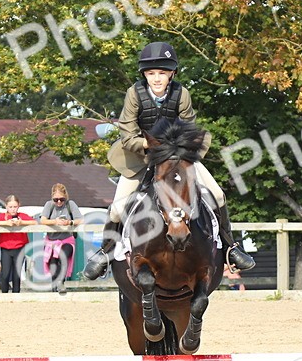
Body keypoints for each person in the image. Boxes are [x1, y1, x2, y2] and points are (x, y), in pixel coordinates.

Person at [83, 41, 255, 280]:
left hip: (176, 158)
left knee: (217, 194)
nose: (156, 79)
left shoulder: (181, 94)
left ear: (171, 73)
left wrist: (174, 149)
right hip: (140, 157)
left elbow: (190, 128)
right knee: (117, 208)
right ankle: (105, 252)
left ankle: (231, 248)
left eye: (162, 73)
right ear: (144, 74)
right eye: (151, 73)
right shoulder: (134, 94)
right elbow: (127, 134)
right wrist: (151, 145)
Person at [40, 183, 82, 294]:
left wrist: (70, 222)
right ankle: (55, 288)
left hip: (67, 239)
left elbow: (80, 219)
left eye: (61, 199)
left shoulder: (70, 204)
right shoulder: (49, 205)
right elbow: (43, 220)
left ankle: (60, 282)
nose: (59, 202)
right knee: (53, 262)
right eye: (56, 199)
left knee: (62, 256)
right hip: (51, 241)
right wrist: (55, 221)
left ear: (66, 197)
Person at [0, 195, 36, 294]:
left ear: (18, 206)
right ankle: (4, 293)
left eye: (15, 207)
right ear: (6, 207)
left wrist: (21, 222)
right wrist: (6, 223)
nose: (13, 209)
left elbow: (34, 222)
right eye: (10, 207)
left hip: (19, 247)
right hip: (6, 247)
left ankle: (16, 293)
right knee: (5, 273)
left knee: (17, 274)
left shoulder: (22, 215)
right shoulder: (3, 216)